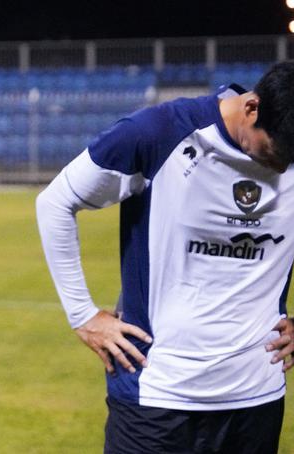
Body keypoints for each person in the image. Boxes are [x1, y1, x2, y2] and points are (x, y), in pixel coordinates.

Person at [36, 62, 294, 453]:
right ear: (252, 108)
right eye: (275, 152)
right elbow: (55, 202)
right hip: (156, 397)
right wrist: (82, 316)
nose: (283, 165)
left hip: (255, 398)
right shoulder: (160, 133)